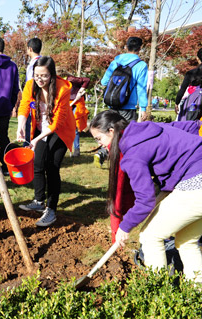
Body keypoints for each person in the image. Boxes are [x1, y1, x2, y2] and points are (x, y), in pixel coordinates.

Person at [90, 110, 202, 284]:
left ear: (111, 131)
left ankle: (156, 294)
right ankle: (196, 295)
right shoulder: (147, 129)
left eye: (99, 138)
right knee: (186, 241)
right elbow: (191, 126)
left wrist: (125, 227)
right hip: (194, 178)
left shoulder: (133, 154)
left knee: (150, 236)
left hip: (196, 184)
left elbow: (145, 199)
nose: (100, 144)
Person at [17, 56, 76, 227]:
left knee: (52, 166)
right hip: (40, 128)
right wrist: (21, 126)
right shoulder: (30, 85)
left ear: (52, 75)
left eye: (44, 76)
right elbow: (25, 105)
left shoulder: (63, 89)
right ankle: (38, 200)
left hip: (60, 131)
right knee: (37, 164)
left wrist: (36, 139)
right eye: (37, 75)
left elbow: (57, 122)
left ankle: (51, 209)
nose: (40, 79)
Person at [95, 37, 148, 167]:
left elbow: (104, 82)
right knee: (127, 134)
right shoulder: (141, 65)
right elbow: (141, 89)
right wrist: (144, 108)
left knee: (111, 131)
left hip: (112, 104)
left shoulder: (117, 61)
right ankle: (123, 161)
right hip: (128, 106)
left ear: (126, 46)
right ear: (140, 48)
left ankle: (103, 152)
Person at [0, 37, 20, 175]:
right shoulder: (12, 66)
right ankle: (6, 166)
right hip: (4, 107)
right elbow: (15, 89)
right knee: (4, 137)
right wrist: (11, 104)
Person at [59, 70, 90, 157]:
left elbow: (87, 80)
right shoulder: (56, 83)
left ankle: (76, 149)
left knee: (74, 126)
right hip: (66, 103)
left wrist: (81, 90)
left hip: (76, 103)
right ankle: (64, 148)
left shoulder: (71, 79)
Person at [23, 38, 42, 146]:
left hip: (33, 102)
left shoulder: (33, 65)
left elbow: (31, 84)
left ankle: (28, 149)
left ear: (30, 49)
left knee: (30, 129)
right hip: (40, 101)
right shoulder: (43, 62)